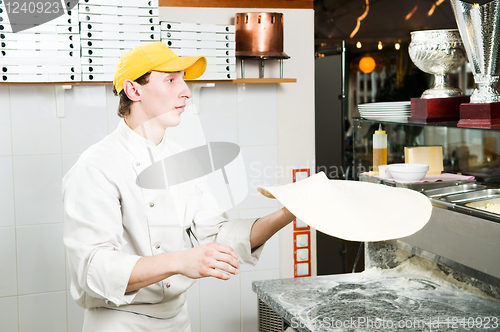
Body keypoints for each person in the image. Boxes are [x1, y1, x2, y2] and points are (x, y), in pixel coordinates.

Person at [62, 42, 295, 331]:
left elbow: (217, 235)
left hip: (177, 321)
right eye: (171, 80)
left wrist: (288, 214)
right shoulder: (96, 167)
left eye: (184, 79)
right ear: (134, 90)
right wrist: (179, 260)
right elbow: (93, 270)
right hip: (119, 323)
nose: (186, 91)